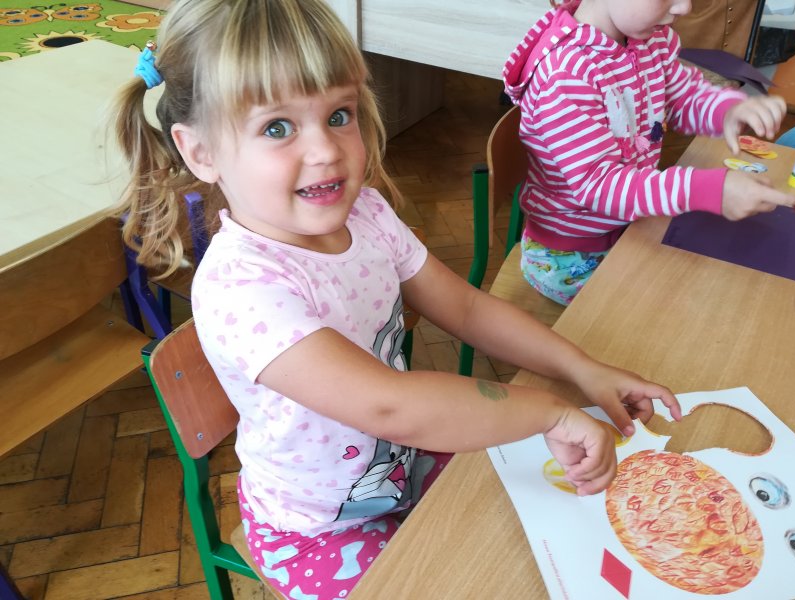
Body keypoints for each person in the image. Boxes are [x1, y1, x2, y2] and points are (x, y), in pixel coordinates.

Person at [113, 0, 682, 596]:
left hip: (405, 466)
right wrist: (551, 411)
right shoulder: (241, 288)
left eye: (339, 114)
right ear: (201, 153)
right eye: (277, 128)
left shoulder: (366, 212)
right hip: (317, 531)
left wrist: (581, 368)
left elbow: (466, 309)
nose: (326, 150)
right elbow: (389, 406)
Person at [504, 0, 795, 306]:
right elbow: (601, 187)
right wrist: (706, 189)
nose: (685, 8)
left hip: (630, 226)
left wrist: (727, 110)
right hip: (573, 257)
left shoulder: (649, 40)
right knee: (697, 304)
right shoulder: (566, 73)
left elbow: (684, 97)